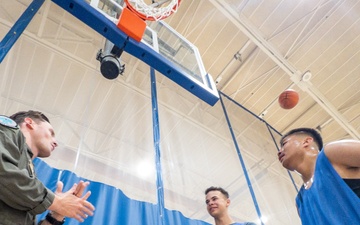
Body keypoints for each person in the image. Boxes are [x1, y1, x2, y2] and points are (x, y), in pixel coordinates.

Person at [0, 110, 95, 225]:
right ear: (30, 122)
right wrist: (57, 202)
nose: (56, 142)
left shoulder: (29, 176)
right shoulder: (6, 129)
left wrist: (57, 214)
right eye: (51, 133)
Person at [278, 127, 360, 224]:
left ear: (306, 141)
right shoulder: (299, 202)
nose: (279, 151)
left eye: (284, 144)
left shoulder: (331, 153)